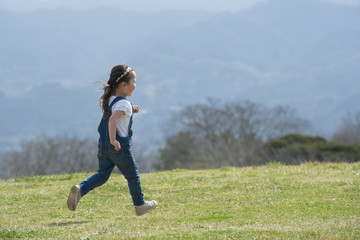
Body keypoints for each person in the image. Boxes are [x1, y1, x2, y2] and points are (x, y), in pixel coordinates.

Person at [67, 65, 157, 216]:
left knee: (102, 175)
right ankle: (140, 205)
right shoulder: (123, 103)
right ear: (123, 85)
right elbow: (113, 120)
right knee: (133, 175)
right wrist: (114, 140)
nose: (135, 85)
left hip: (103, 147)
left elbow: (116, 115)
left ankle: (81, 189)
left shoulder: (110, 100)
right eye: (133, 82)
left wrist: (131, 111)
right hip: (118, 148)